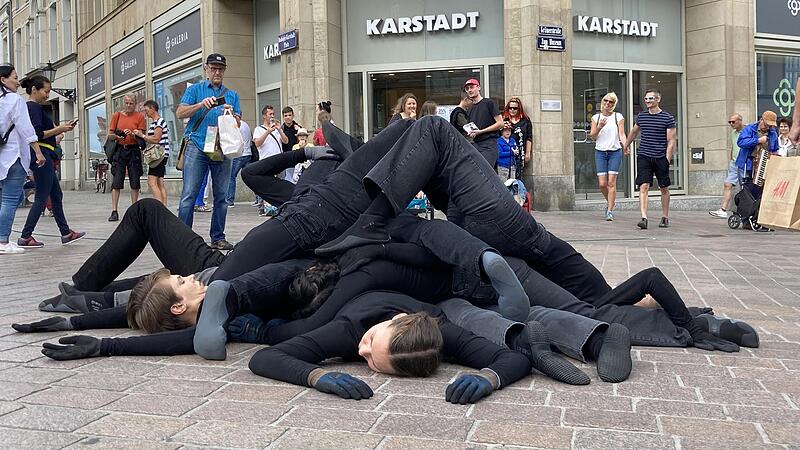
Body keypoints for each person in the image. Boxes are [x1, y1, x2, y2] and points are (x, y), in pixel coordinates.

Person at [175, 53, 241, 250]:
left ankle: (218, 237)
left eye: (221, 69)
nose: (217, 72)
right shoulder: (195, 90)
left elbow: (238, 122)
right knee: (189, 195)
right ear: (206, 68)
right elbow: (180, 113)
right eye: (213, 68)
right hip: (197, 144)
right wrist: (200, 105)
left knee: (222, 196)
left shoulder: (232, 95)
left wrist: (230, 114)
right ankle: (182, 239)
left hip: (221, 147)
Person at [17, 75, 84, 247]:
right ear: (34, 90)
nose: (47, 95)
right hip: (41, 156)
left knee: (56, 195)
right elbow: (37, 135)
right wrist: (59, 129)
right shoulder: (33, 108)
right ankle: (25, 236)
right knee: (41, 196)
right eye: (45, 91)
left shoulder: (34, 108)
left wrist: (60, 131)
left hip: (44, 154)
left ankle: (66, 233)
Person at [0, 63, 45, 254]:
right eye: (15, 78)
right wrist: (38, 151)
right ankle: (2, 242)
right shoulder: (14, 100)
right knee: (10, 200)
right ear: (3, 80)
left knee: (5, 199)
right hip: (14, 155)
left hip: (2, 157)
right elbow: (26, 128)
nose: (18, 82)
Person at [624, 89, 677, 230]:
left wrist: (667, 158)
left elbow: (671, 140)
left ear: (658, 100)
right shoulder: (641, 117)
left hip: (660, 157)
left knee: (664, 187)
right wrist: (626, 145)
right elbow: (634, 132)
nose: (647, 101)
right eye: (646, 99)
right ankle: (644, 218)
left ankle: (665, 217)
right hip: (644, 156)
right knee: (644, 186)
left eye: (650, 99)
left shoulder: (667, 118)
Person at [106, 93, 146, 222]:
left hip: (133, 150)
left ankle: (134, 210)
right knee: (117, 181)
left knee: (135, 181)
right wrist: (119, 136)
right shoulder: (116, 116)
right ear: (124, 103)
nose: (128, 106)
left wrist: (133, 135)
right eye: (127, 103)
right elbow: (109, 135)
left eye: (131, 103)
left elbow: (142, 137)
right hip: (120, 150)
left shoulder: (139, 117)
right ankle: (114, 210)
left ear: (135, 104)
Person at [588, 92, 626, 221]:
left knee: (611, 182)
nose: (607, 104)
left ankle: (609, 210)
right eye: (606, 101)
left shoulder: (618, 117)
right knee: (602, 184)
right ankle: (611, 202)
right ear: (602, 102)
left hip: (615, 152)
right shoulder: (596, 117)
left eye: (611, 102)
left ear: (614, 104)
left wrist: (626, 145)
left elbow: (622, 134)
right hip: (600, 152)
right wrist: (599, 127)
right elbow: (592, 136)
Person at [252, 105, 287, 216]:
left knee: (280, 184)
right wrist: (268, 131)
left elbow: (285, 141)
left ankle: (278, 207)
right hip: (266, 161)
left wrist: (280, 130)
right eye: (270, 114)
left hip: (279, 161)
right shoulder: (258, 129)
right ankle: (264, 208)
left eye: (273, 114)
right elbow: (257, 143)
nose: (272, 116)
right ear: (264, 116)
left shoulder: (277, 128)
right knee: (266, 185)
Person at [133, 100, 170, 206]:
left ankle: (159, 207)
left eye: (146, 110)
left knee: (152, 182)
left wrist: (142, 135)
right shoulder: (157, 122)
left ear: (152, 109)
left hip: (158, 156)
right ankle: (163, 207)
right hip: (162, 155)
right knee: (160, 183)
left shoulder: (159, 122)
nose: (146, 113)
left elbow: (156, 139)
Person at [708, 114, 745, 218]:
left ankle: (744, 210)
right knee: (727, 184)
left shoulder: (747, 131)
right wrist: (731, 159)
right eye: (730, 122)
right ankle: (723, 209)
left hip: (744, 162)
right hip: (734, 162)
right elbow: (733, 146)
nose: (731, 124)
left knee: (744, 187)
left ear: (740, 121)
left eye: (733, 122)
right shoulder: (733, 133)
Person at [464, 78, 504, 166]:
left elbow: (500, 123)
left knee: (485, 173)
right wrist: (472, 133)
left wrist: (481, 131)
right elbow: (474, 127)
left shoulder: (489, 103)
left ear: (478, 87)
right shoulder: (470, 109)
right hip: (476, 145)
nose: (469, 90)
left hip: (489, 144)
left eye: (472, 87)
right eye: (467, 89)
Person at [502, 97, 533, 180]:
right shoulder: (504, 119)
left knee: (517, 176)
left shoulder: (525, 120)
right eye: (510, 108)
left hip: (520, 153)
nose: (512, 110)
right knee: (505, 176)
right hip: (506, 153)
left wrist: (528, 153)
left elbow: (529, 137)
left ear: (519, 109)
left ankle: (517, 191)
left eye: (515, 108)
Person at [225, 119, 252, 207]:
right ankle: (258, 199)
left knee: (231, 177)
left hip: (239, 155)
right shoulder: (246, 125)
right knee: (251, 176)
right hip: (248, 153)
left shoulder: (236, 125)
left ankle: (229, 200)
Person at [280, 106, 302, 182]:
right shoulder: (281, 129)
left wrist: (299, 131)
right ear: (283, 117)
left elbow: (304, 141)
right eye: (285, 116)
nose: (288, 117)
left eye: (289, 115)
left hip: (297, 158)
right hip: (285, 158)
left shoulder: (299, 128)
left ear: (293, 116)